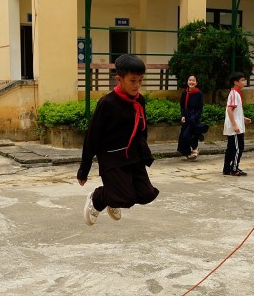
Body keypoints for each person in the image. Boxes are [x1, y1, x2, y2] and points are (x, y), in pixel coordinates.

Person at [77, 54, 159, 226]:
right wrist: (84, 169)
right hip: (111, 156)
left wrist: (144, 153)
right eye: (133, 80)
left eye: (140, 80)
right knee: (125, 197)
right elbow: (91, 137)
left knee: (147, 194)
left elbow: (142, 129)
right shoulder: (107, 103)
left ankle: (114, 198)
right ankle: (98, 199)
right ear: (119, 79)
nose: (137, 85)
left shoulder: (140, 101)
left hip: (133, 155)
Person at [222, 72, 251, 176]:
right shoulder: (234, 93)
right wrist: (234, 125)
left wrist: (243, 118)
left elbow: (234, 111)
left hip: (236, 125)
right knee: (238, 148)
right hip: (235, 128)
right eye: (242, 80)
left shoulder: (236, 93)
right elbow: (230, 110)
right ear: (236, 82)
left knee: (231, 148)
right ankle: (234, 169)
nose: (244, 82)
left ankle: (227, 169)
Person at [177, 75, 208, 161]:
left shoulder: (199, 94)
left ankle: (195, 148)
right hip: (186, 116)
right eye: (190, 80)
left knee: (188, 135)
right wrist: (183, 115)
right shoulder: (184, 93)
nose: (191, 82)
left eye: (193, 80)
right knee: (183, 136)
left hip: (194, 117)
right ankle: (187, 153)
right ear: (187, 82)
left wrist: (194, 117)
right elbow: (182, 105)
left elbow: (200, 108)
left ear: (196, 83)